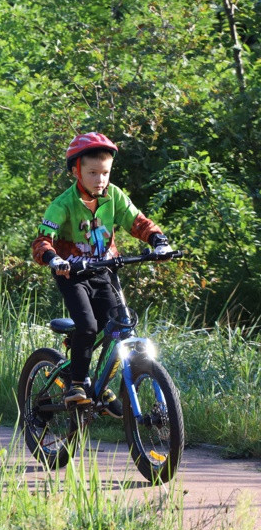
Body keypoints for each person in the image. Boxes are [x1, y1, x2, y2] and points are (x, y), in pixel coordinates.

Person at [31, 132, 174, 415]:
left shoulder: (114, 196)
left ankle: (101, 385)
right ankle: (76, 383)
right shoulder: (63, 204)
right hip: (72, 274)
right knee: (87, 326)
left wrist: (158, 241)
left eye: (105, 173)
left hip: (104, 272)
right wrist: (55, 259)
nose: (100, 179)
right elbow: (41, 241)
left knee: (120, 327)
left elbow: (138, 222)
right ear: (76, 171)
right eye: (92, 172)